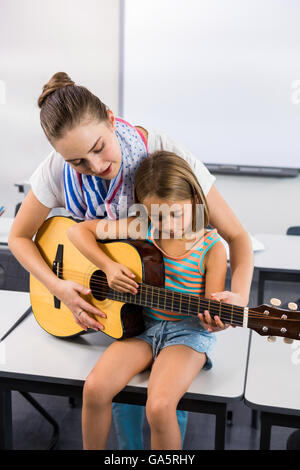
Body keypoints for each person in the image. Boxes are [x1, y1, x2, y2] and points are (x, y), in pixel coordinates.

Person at [8, 72, 253, 448]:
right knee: (105, 394)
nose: (94, 165)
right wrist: (60, 286)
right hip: (128, 317)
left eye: (99, 147)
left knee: (160, 406)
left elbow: (232, 236)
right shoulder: (64, 173)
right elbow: (24, 236)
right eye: (77, 162)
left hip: (169, 316)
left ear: (110, 118)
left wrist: (234, 299)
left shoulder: (165, 166)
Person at [67, 150, 230, 449]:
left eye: (175, 214)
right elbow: (78, 232)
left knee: (159, 406)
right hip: (143, 327)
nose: (167, 224)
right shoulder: (141, 227)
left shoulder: (213, 248)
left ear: (194, 200)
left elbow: (212, 311)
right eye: (157, 215)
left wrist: (217, 321)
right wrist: (107, 265)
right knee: (95, 388)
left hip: (188, 334)